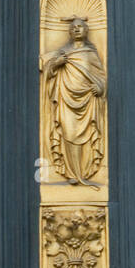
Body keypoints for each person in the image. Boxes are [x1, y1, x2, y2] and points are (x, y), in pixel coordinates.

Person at [40, 17, 106, 186]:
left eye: (80, 26)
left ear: (86, 31)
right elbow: (47, 71)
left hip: (87, 101)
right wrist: (56, 64)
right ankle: (72, 172)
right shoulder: (62, 53)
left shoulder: (91, 54)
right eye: (73, 27)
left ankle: (85, 171)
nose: (77, 29)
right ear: (69, 32)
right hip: (65, 98)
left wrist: (99, 88)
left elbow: (100, 77)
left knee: (85, 135)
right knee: (68, 133)